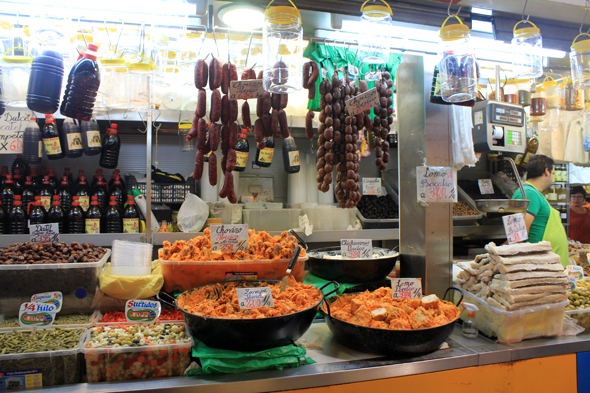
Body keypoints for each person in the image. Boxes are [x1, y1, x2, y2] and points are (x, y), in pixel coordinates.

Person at [511, 154, 569, 266]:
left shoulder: (534, 193)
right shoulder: (529, 193)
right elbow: (518, 235)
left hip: (547, 265)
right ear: (547, 171)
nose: (553, 177)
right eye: (553, 173)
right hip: (538, 265)